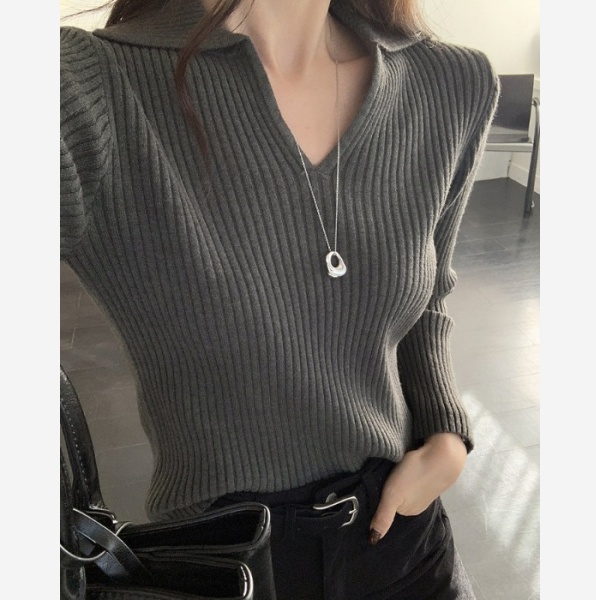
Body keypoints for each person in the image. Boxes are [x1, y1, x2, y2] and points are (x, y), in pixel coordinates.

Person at [60, 0, 499, 598]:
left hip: (404, 539)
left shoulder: (450, 83)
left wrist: (445, 433)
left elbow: (429, 293)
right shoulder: (88, 88)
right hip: (229, 560)